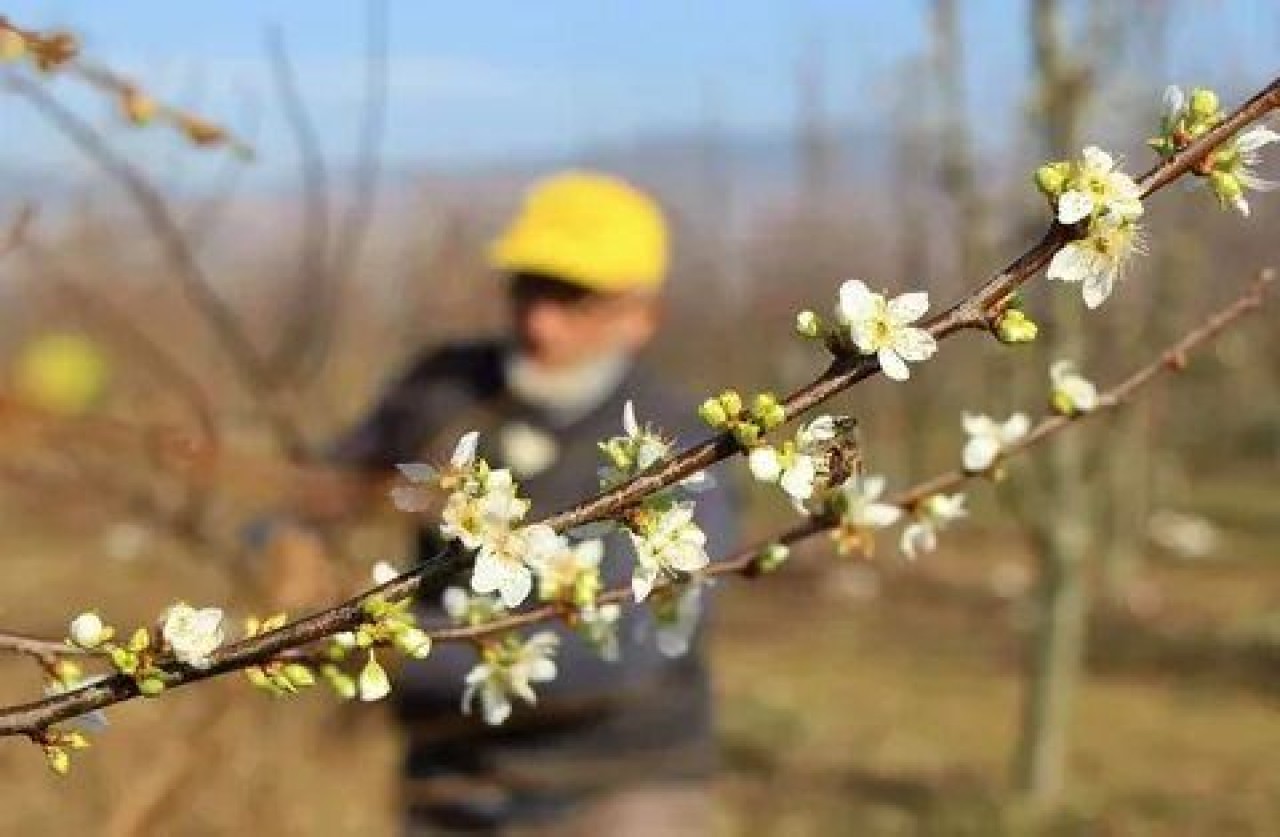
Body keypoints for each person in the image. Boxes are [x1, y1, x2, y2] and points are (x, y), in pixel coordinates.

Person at [318, 171, 737, 835]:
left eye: (575, 299)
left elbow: (635, 641)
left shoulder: (680, 445)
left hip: (620, 782)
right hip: (451, 777)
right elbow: (316, 489)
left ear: (641, 317)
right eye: (529, 288)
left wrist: (400, 650)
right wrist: (285, 555)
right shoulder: (444, 391)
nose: (540, 322)